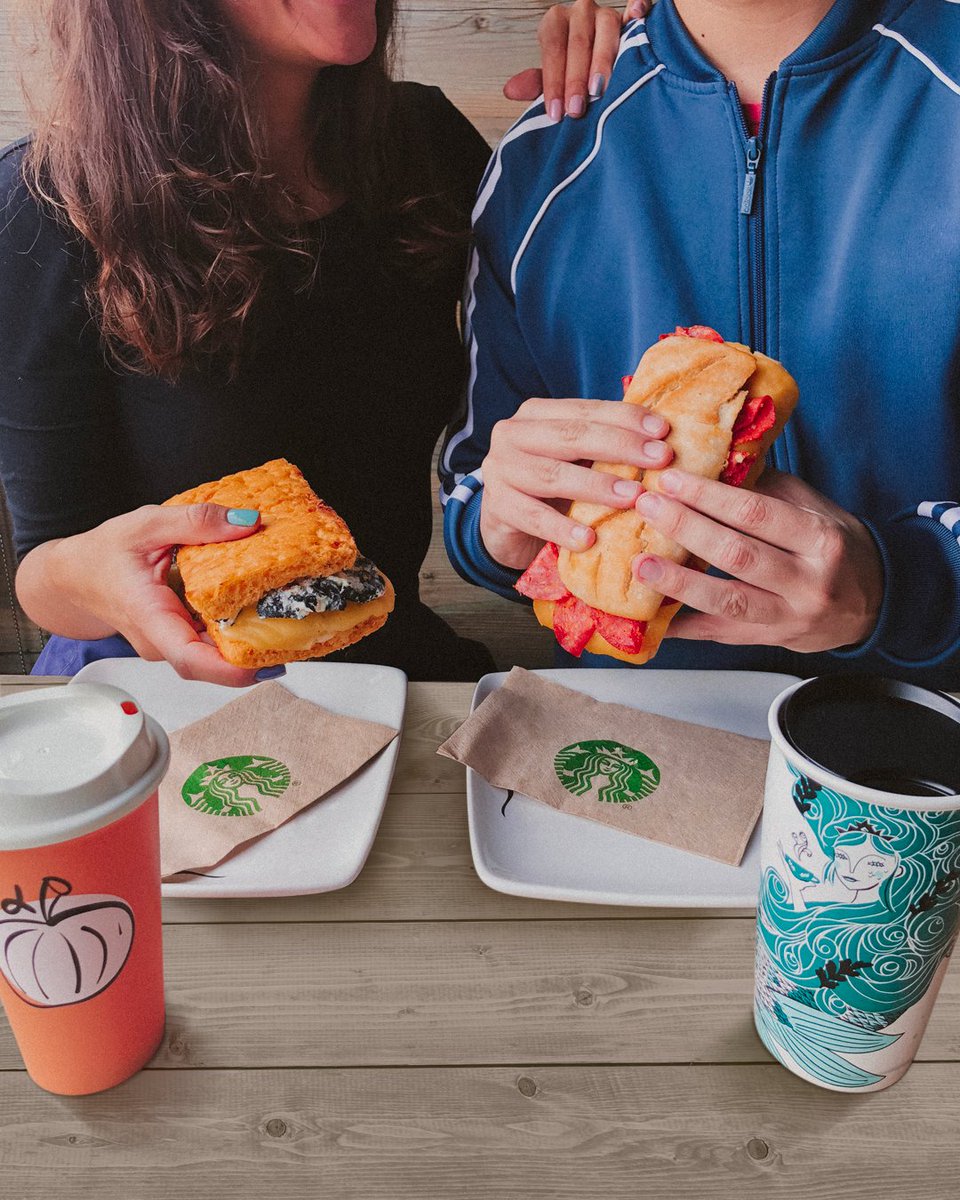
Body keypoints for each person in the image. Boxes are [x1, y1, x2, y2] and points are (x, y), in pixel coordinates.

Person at [0, 0, 629, 687]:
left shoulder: (423, 145)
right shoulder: (44, 205)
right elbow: (41, 568)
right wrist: (104, 576)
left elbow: (591, 346)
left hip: (378, 662)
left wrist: (628, 95)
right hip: (153, 690)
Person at [441, 0, 960, 691]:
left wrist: (903, 585)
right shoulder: (544, 153)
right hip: (635, 744)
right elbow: (472, 485)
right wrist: (497, 525)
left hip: (929, 740)